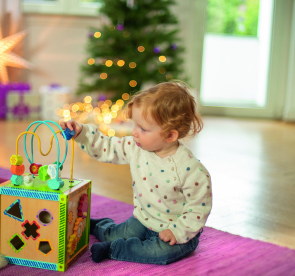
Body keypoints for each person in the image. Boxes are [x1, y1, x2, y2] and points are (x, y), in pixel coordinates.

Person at [60, 81, 212, 265]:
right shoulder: (136, 147)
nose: (134, 133)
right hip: (142, 220)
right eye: (135, 125)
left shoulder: (191, 170)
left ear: (170, 136)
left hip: (177, 231)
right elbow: (107, 147)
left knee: (159, 253)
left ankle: (114, 249)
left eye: (143, 129)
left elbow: (198, 207)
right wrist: (81, 133)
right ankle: (97, 226)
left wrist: (178, 232)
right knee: (113, 233)